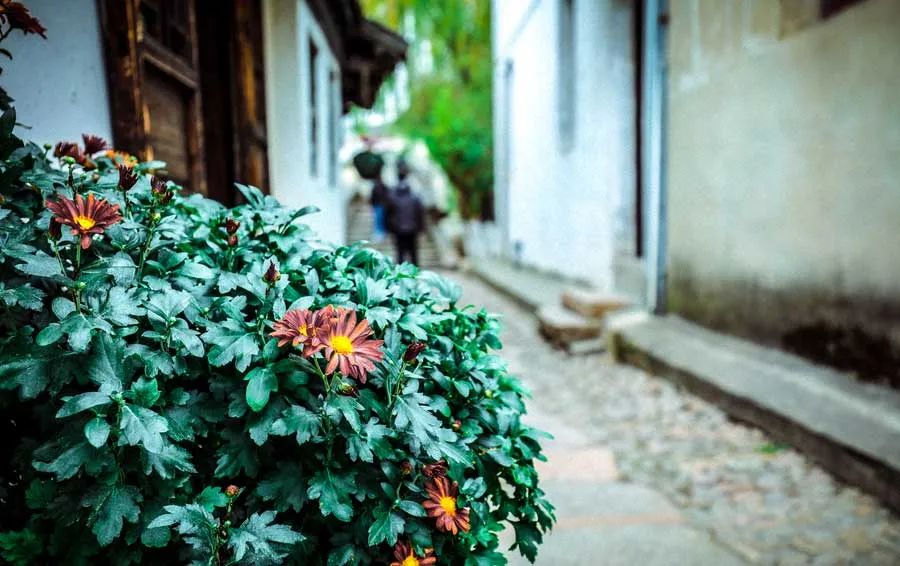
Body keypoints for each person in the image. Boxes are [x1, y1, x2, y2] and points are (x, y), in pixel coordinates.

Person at [386, 159, 424, 266]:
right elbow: (419, 214)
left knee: (400, 253)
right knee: (413, 253)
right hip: (411, 229)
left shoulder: (392, 196)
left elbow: (388, 214)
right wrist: (421, 228)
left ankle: (400, 276)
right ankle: (415, 273)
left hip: (399, 230)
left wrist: (390, 228)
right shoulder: (414, 197)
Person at [370, 166, 389, 242]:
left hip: (379, 205)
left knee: (379, 219)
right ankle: (380, 233)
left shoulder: (378, 186)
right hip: (379, 205)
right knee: (379, 219)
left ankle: (380, 234)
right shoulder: (381, 186)